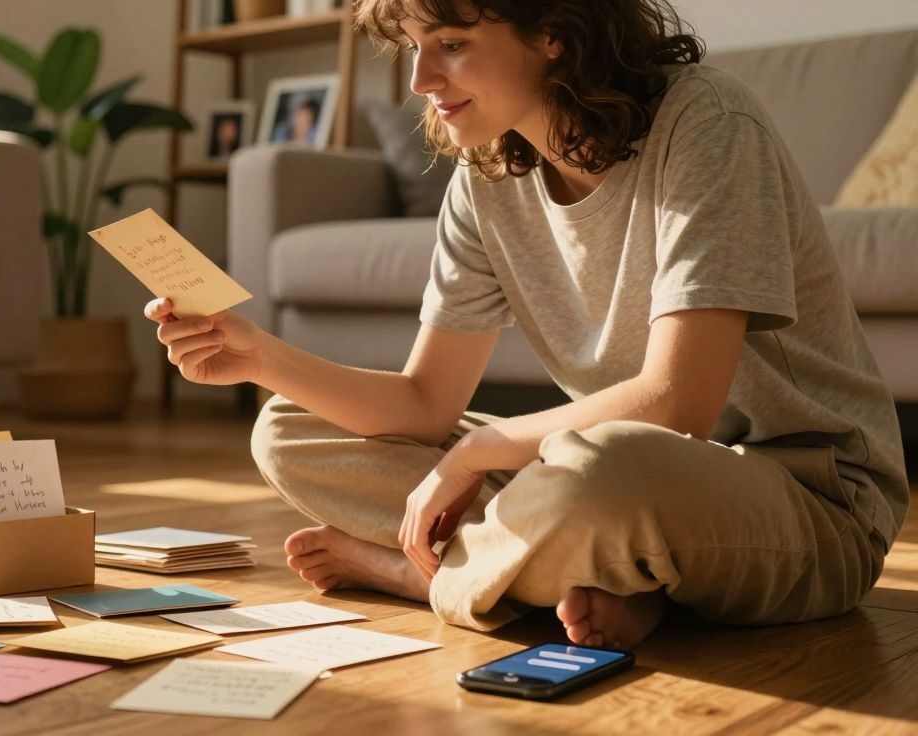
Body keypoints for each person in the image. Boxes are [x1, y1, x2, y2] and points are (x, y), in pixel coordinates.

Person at [144, 0, 907, 650]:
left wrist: (482, 449)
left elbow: (679, 407)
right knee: (288, 427)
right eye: (413, 49)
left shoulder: (707, 122)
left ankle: (426, 576)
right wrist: (257, 356)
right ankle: (604, 575)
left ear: (553, 30)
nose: (421, 81)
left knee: (603, 476)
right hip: (613, 478)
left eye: (450, 45)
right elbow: (423, 403)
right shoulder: (486, 178)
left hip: (808, 497)